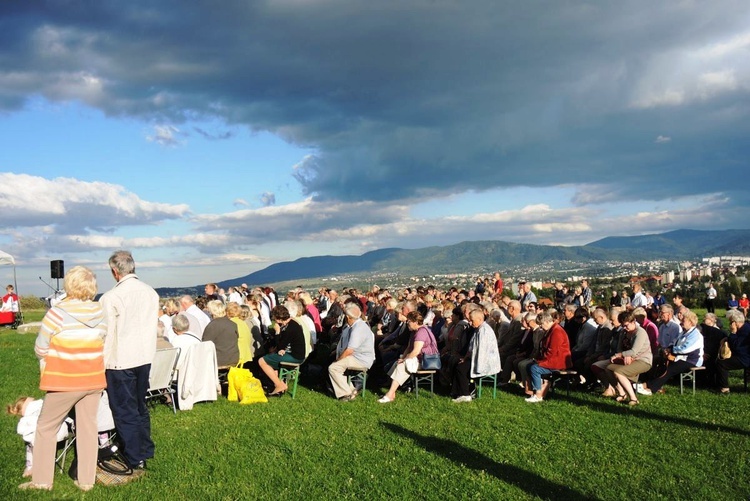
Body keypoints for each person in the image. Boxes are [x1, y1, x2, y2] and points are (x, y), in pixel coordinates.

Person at [20, 265, 107, 491]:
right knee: (88, 428)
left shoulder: (57, 313)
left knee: (46, 427)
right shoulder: (100, 311)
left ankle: (41, 480)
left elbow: (40, 347)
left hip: (65, 379)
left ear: (69, 285)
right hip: (94, 378)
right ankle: (86, 480)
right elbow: (103, 340)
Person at [100, 250, 159, 470]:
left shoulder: (111, 297)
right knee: (139, 406)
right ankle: (145, 448)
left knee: (125, 410)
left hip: (120, 360)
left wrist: (102, 364)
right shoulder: (150, 292)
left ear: (115, 272)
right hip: (144, 357)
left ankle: (135, 456)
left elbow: (107, 334)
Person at [378, 311, 439, 404]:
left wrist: (405, 360)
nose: (407, 323)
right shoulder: (414, 332)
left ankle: (390, 394)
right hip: (418, 359)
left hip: (425, 361)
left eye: (409, 321)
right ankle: (392, 392)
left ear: (415, 322)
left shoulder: (421, 332)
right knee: (396, 363)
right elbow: (408, 348)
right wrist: (403, 358)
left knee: (402, 366)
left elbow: (415, 351)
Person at [639, 310, 703, 396]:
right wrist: (668, 349)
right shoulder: (684, 332)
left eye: (684, 320)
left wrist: (672, 351)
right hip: (680, 357)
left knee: (670, 368)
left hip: (692, 360)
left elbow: (686, 349)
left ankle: (649, 387)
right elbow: (674, 342)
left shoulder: (695, 334)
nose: (681, 322)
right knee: (658, 360)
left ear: (691, 322)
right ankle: (651, 384)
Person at [594, 311, 652, 406]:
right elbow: (619, 348)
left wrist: (620, 355)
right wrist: (623, 355)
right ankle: (621, 393)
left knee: (618, 372)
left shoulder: (640, 332)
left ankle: (633, 398)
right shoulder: (623, 332)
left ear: (633, 321)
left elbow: (634, 351)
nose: (625, 328)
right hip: (627, 358)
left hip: (643, 360)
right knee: (608, 368)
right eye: (623, 325)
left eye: (626, 325)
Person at [451, 309, 502, 402]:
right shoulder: (478, 329)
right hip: (476, 357)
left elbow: (482, 351)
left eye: (472, 320)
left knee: (461, 368)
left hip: (485, 361)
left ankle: (466, 394)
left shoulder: (484, 331)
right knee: (458, 364)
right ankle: (457, 392)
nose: (470, 323)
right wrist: (465, 358)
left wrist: (472, 363)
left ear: (479, 319)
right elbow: (472, 347)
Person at [328, 303, 375, 401]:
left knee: (333, 367)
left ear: (348, 317)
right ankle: (351, 389)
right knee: (336, 366)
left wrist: (338, 360)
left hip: (361, 359)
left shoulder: (358, 328)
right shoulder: (357, 325)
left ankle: (346, 393)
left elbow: (349, 350)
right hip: (356, 357)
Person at [525, 310, 572, 403]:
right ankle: (533, 391)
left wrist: (540, 361)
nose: (541, 327)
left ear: (547, 321)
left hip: (558, 362)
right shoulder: (552, 330)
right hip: (554, 359)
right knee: (529, 365)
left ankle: (538, 395)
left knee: (535, 368)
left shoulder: (556, 332)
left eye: (541, 324)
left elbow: (552, 352)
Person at [258, 305, 306, 396]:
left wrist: (277, 332)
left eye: (274, 318)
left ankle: (280, 385)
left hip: (295, 356)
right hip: (292, 353)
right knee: (271, 356)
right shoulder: (290, 324)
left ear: (279, 319)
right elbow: (282, 345)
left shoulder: (291, 328)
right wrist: (280, 349)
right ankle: (277, 385)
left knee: (262, 361)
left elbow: (280, 345)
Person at [716, 309, 750, 394]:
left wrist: (733, 333)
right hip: (742, 355)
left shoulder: (745, 330)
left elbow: (736, 346)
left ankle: (725, 388)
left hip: (745, 358)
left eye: (730, 322)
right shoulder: (744, 327)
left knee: (722, 363)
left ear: (735, 322)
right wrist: (728, 338)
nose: (729, 324)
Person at [203, 300, 240, 367]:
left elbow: (205, 345)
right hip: (233, 359)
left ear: (212, 312)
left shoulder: (213, 325)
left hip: (220, 361)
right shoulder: (233, 324)